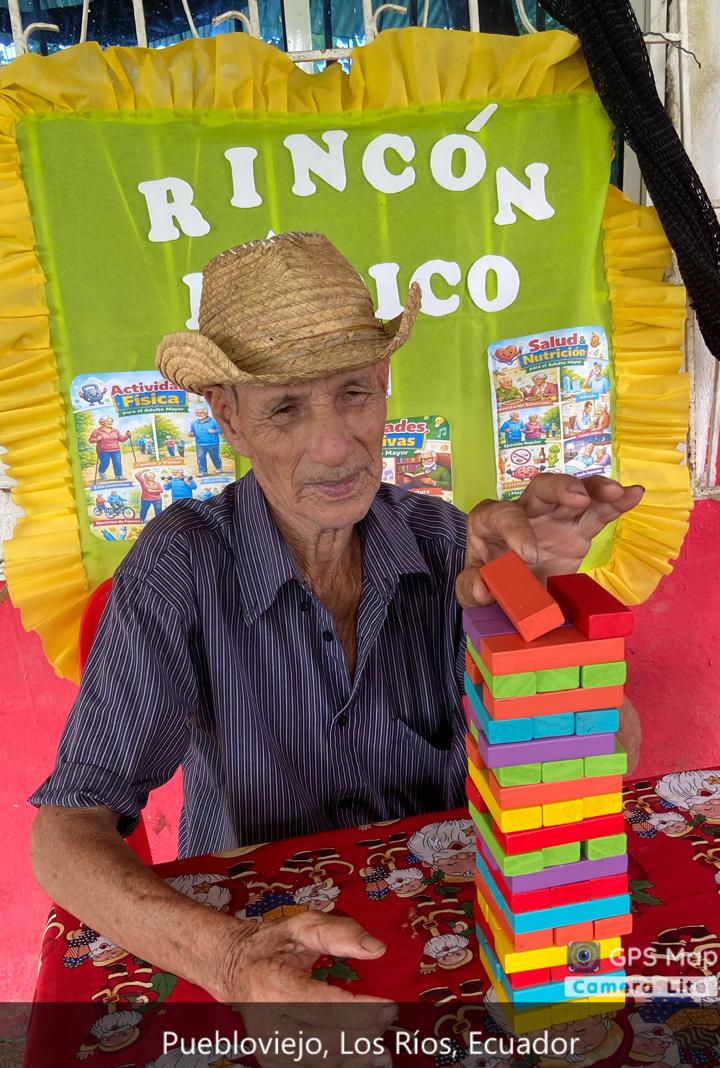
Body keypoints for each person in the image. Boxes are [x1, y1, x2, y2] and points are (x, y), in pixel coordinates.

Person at [30, 232, 643, 1021]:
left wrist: (531, 608)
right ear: (229, 417)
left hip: (450, 925)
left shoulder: (447, 543)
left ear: (385, 384)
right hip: (260, 939)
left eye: (354, 392)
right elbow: (65, 832)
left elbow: (611, 757)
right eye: (286, 407)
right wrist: (229, 958)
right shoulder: (182, 564)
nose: (334, 444)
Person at [189, 406, 223, 474]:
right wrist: (191, 434)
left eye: (201, 413)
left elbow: (221, 430)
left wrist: (214, 431)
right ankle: (203, 471)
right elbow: (192, 432)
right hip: (200, 444)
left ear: (206, 413)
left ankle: (219, 468)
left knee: (214, 457)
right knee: (200, 457)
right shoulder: (193, 423)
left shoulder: (214, 421)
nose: (199, 414)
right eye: (197, 413)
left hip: (213, 443)